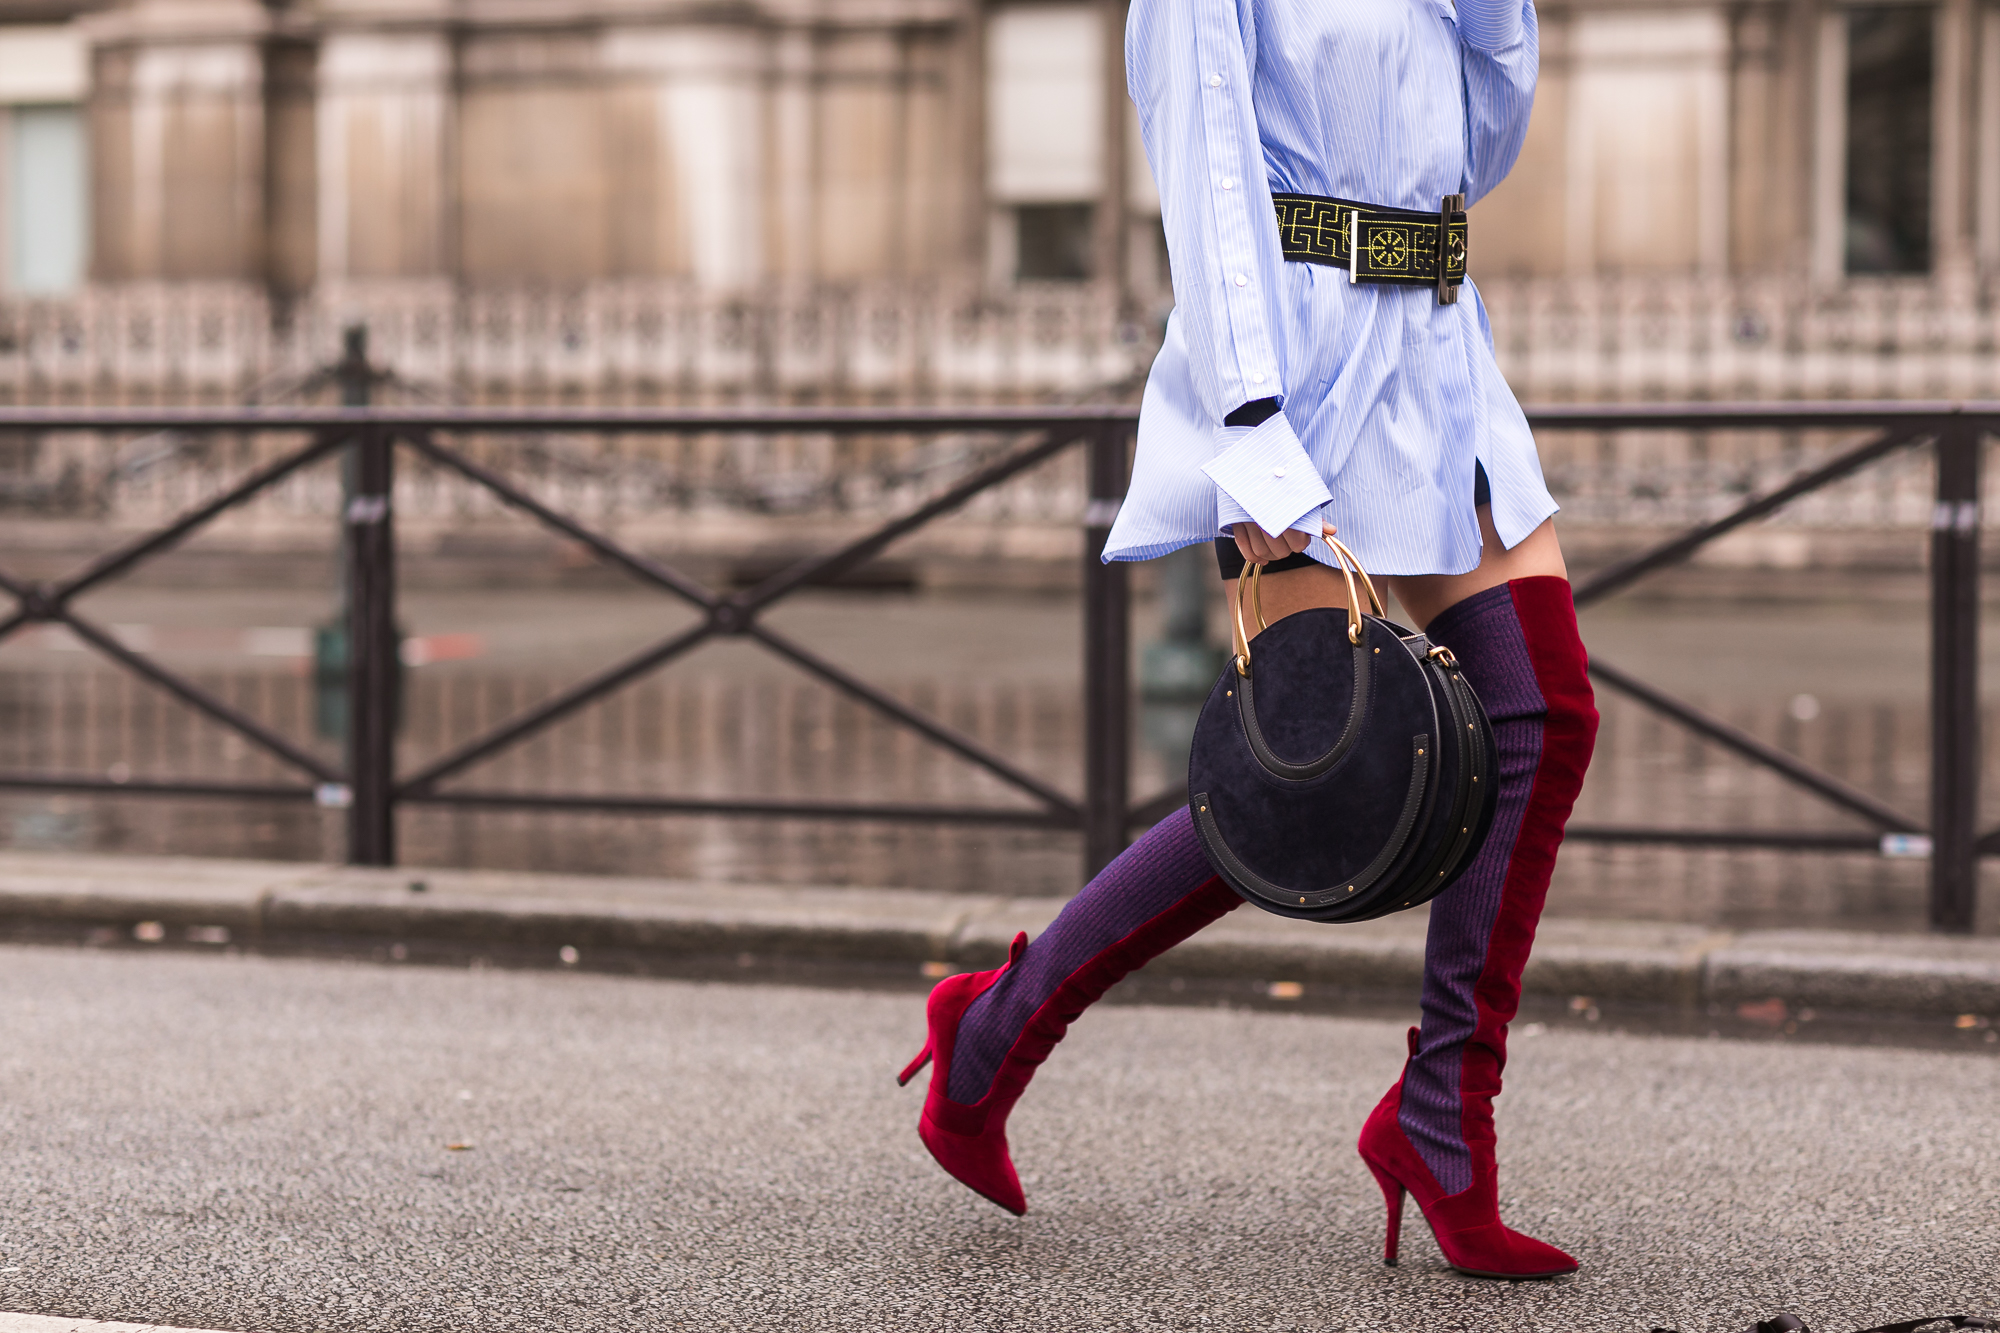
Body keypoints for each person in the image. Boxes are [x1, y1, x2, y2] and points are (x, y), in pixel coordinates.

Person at [897, 0, 1597, 1281]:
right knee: (1300, 780)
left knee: (1543, 712)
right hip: (1297, 361)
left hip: (1436, 343)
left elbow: (1481, 147)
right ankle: (992, 1032)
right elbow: (1205, 170)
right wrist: (1250, 423)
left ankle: (1439, 1109)